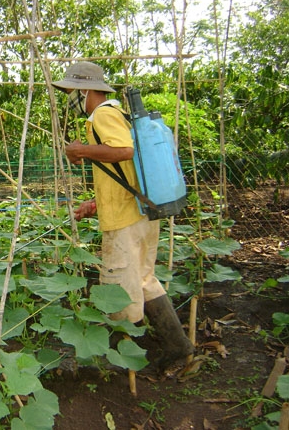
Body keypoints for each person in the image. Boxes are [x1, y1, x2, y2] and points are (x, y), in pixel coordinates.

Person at [51, 61, 194, 372]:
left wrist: (81, 150)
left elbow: (124, 150)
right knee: (143, 279)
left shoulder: (102, 115)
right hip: (142, 210)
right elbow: (123, 172)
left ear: (85, 90)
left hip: (125, 222)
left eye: (72, 92)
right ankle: (177, 347)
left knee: (117, 288)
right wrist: (94, 204)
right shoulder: (120, 115)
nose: (70, 98)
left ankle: (121, 360)